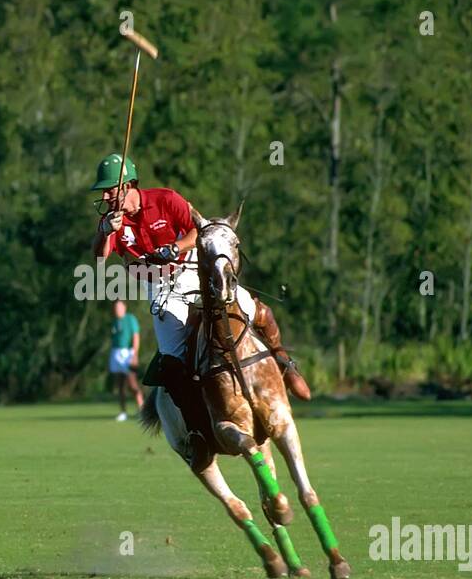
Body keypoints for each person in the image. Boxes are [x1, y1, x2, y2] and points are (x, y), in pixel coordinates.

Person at [90, 153, 309, 469]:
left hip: (192, 271)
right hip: (161, 289)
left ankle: (285, 363)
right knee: (172, 365)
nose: (105, 196)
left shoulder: (166, 199)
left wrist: (175, 248)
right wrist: (105, 231)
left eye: (109, 190)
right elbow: (100, 257)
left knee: (256, 310)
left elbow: (200, 231)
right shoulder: (112, 220)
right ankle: (197, 431)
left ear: (127, 186)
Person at [108, 299, 143, 421]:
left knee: (132, 383)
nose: (117, 310)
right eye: (115, 307)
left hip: (128, 353)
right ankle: (123, 412)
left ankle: (142, 409)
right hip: (116, 354)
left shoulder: (130, 319)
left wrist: (134, 354)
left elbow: (136, 337)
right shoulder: (114, 321)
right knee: (120, 385)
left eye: (119, 307)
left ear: (124, 307)